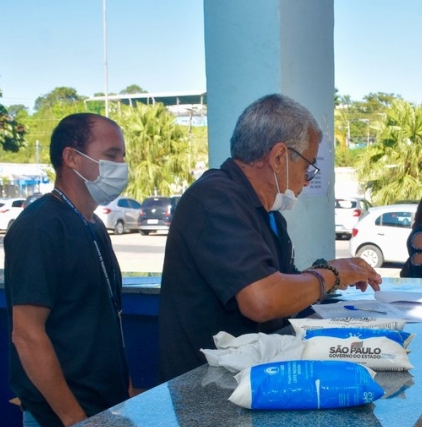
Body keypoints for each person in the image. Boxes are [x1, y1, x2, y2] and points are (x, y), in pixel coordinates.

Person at [158, 94, 382, 382]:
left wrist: (332, 274)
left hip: (254, 373)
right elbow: (263, 300)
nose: (308, 179)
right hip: (207, 386)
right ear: (278, 158)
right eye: (308, 166)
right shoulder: (215, 200)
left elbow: (285, 290)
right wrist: (331, 274)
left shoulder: (270, 213)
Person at [4, 113, 131, 427]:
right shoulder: (40, 227)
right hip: (63, 424)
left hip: (101, 413)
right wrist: (76, 422)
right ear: (72, 157)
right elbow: (27, 334)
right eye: (112, 155)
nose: (121, 165)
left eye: (123, 156)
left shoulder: (93, 225)